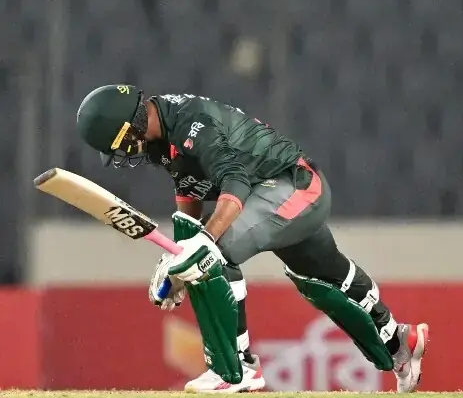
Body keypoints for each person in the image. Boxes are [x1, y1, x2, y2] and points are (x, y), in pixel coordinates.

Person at [75, 85, 429, 393]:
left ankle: (236, 369)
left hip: (294, 187)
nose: (123, 153)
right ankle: (400, 342)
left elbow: (235, 183)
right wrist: (174, 263)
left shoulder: (191, 123)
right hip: (274, 192)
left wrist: (201, 245)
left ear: (131, 126)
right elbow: (188, 190)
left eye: (119, 144)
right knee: (321, 276)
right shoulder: (160, 132)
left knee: (213, 255)